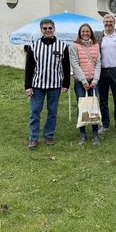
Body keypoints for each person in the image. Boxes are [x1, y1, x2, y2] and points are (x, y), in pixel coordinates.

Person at [24, 19, 70, 150]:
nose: (47, 30)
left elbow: (66, 66)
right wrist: (28, 86)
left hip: (55, 85)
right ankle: (33, 138)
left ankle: (48, 135)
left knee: (52, 112)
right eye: (45, 28)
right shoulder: (34, 46)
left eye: (50, 28)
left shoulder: (62, 46)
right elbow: (29, 68)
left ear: (54, 29)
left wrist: (66, 83)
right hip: (37, 85)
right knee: (34, 111)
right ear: (41, 30)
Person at [95, 14, 116, 136]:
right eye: (106, 21)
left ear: (114, 23)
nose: (108, 23)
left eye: (110, 21)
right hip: (103, 71)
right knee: (103, 100)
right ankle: (105, 124)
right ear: (103, 23)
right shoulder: (98, 36)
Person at [68, 23, 101, 146]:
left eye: (87, 31)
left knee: (93, 106)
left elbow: (98, 63)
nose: (85, 33)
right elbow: (75, 64)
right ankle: (82, 133)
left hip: (93, 81)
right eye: (83, 31)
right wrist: (84, 81)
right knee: (82, 106)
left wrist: (95, 80)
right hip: (80, 82)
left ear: (91, 33)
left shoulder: (96, 45)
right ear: (80, 33)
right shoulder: (74, 46)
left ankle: (95, 133)